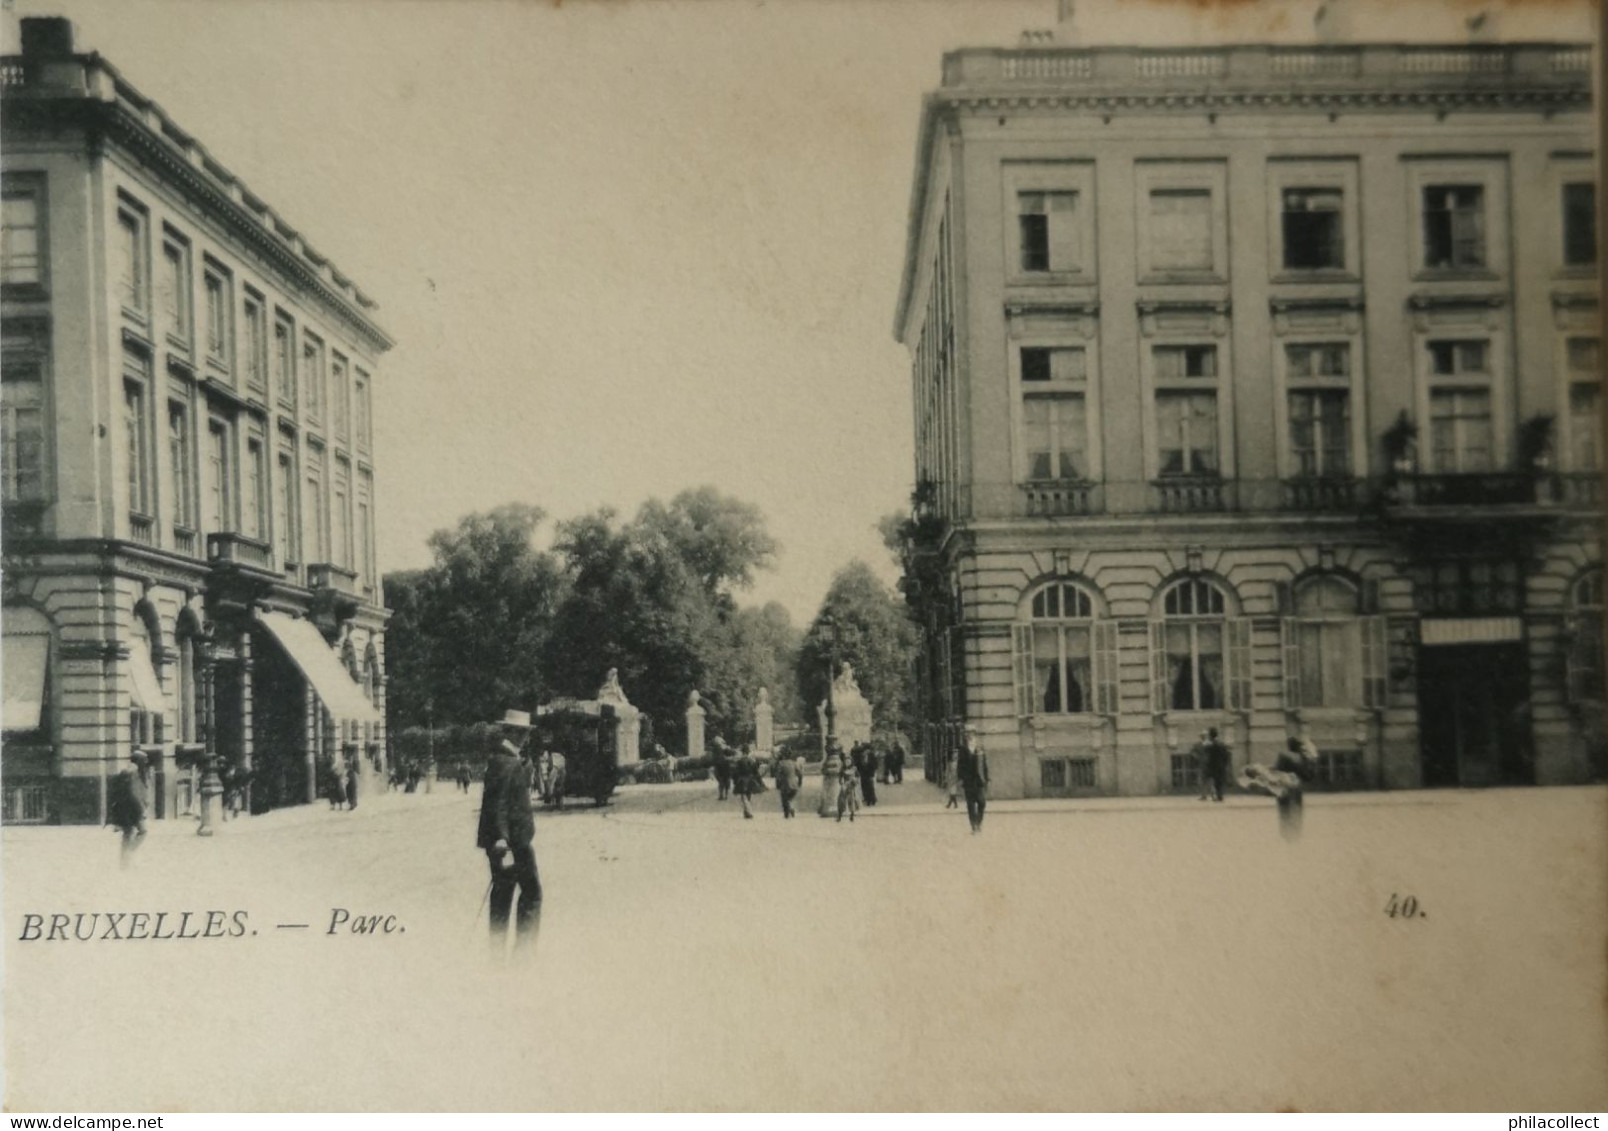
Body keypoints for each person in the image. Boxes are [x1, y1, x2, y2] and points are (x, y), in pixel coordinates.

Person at [477, 710, 542, 952]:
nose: (526, 737)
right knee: (532, 894)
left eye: (526, 732)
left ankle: (497, 954)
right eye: (522, 732)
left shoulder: (502, 759)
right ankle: (523, 956)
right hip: (513, 843)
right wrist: (502, 838)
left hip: (505, 841)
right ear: (511, 732)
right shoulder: (507, 762)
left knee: (502, 896)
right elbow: (499, 803)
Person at [1240, 736, 1319, 842]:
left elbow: (1278, 769)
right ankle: (1296, 834)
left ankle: (1287, 835)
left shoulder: (1284, 755)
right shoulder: (1302, 758)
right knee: (1296, 810)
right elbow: (1307, 776)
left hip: (1284, 786)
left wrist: (1264, 770)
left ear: (1289, 745)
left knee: (1285, 810)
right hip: (1297, 787)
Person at [108, 750, 150, 868]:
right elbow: (134, 793)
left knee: (127, 834)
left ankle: (124, 862)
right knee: (142, 831)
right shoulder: (133, 773)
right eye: (144, 761)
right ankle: (128, 854)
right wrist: (141, 809)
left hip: (124, 808)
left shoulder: (126, 771)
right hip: (132, 809)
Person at [957, 727, 990, 834]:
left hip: (979, 780)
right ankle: (974, 825)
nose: (969, 735)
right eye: (967, 733)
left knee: (982, 802)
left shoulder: (980, 747)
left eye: (971, 733)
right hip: (968, 781)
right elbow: (960, 765)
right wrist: (961, 778)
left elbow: (984, 764)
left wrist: (986, 777)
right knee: (970, 804)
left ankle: (979, 822)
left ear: (975, 734)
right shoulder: (962, 748)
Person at [774, 748, 803, 818]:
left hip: (785, 785)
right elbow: (800, 774)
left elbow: (777, 775)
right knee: (790, 799)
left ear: (784, 755)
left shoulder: (781, 764)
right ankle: (791, 808)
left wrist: (777, 784)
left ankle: (788, 812)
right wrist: (799, 782)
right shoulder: (794, 763)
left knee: (785, 800)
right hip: (794, 785)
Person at [733, 745, 760, 819]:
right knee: (748, 796)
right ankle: (746, 812)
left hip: (742, 779)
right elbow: (756, 771)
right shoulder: (751, 760)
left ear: (742, 752)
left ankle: (749, 812)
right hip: (750, 779)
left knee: (743, 797)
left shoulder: (740, 761)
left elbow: (736, 772)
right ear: (748, 752)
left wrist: (735, 781)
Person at [818, 741, 843, 818]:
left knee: (829, 795)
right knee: (834, 795)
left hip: (828, 781)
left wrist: (827, 771)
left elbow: (823, 770)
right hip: (833, 781)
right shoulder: (838, 761)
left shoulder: (828, 760)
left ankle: (828, 809)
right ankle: (833, 809)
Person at [1190, 729, 1212, 801]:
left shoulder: (1211, 744)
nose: (1204, 737)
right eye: (1202, 736)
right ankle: (1203, 796)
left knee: (1211, 781)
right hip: (1201, 765)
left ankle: (1213, 795)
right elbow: (1192, 752)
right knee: (1202, 781)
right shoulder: (1197, 745)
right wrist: (1197, 757)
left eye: (1205, 736)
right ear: (1201, 737)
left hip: (1211, 765)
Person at [855, 742, 878, 808]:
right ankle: (866, 799)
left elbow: (875, 764)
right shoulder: (861, 755)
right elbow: (858, 764)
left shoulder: (872, 755)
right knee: (864, 786)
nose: (865, 751)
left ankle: (872, 799)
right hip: (863, 773)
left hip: (870, 773)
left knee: (870, 786)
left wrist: (871, 769)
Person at [945, 742, 961, 809]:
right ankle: (953, 804)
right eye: (954, 754)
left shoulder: (959, 762)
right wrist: (947, 777)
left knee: (953, 791)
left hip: (956, 778)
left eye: (956, 754)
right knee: (952, 791)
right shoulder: (950, 763)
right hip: (951, 778)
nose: (955, 756)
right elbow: (947, 771)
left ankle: (950, 804)